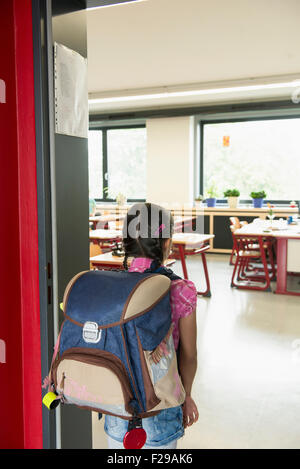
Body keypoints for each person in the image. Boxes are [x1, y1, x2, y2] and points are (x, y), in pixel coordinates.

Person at [104, 202, 199, 449]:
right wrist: (187, 396)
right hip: (162, 406)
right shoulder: (181, 290)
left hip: (118, 407)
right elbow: (189, 355)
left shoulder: (109, 286)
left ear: (126, 241)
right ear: (166, 243)